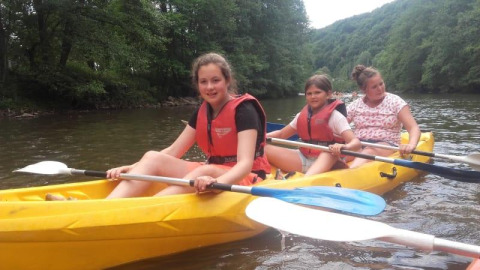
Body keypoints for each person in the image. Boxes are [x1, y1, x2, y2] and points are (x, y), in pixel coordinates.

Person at [63, 52, 268, 200]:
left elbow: (244, 165)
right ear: (197, 84)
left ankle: (146, 208)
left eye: (216, 80)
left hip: (246, 178)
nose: (210, 87)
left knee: (199, 173)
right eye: (203, 81)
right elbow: (173, 151)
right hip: (212, 170)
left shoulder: (244, 110)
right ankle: (104, 208)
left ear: (227, 80)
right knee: (153, 156)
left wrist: (212, 179)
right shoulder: (202, 111)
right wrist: (133, 167)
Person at [265, 74, 361, 176]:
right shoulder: (301, 116)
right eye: (309, 93)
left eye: (317, 92)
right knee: (263, 148)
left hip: (328, 159)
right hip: (303, 158)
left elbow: (356, 143)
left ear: (328, 94)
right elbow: (281, 134)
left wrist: (344, 146)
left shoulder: (336, 117)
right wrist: (261, 138)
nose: (313, 96)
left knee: (329, 152)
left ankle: (306, 181)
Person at [347, 65, 421, 168]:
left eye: (381, 83)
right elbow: (340, 127)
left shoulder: (395, 102)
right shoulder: (354, 106)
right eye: (374, 87)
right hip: (359, 144)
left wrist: (411, 145)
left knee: (369, 151)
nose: (380, 88)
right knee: (335, 154)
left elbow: (413, 128)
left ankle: (350, 174)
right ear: (363, 90)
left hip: (387, 144)